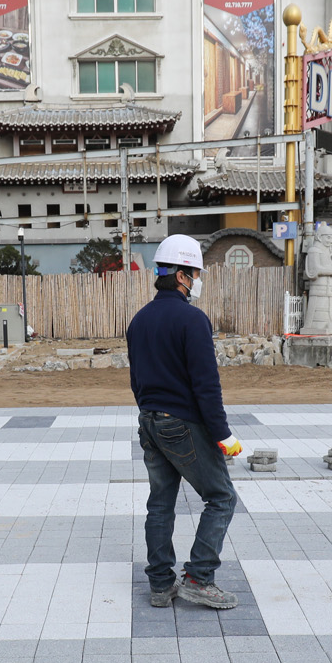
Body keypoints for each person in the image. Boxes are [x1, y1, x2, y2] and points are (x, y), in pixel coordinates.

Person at [126, 234, 243, 610]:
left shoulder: (139, 321)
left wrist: (152, 418)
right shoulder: (192, 320)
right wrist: (223, 435)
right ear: (180, 275)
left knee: (160, 504)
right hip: (183, 424)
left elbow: (137, 381)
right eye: (193, 273)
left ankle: (161, 585)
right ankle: (198, 578)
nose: (196, 280)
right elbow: (206, 385)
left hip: (149, 422)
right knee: (222, 497)